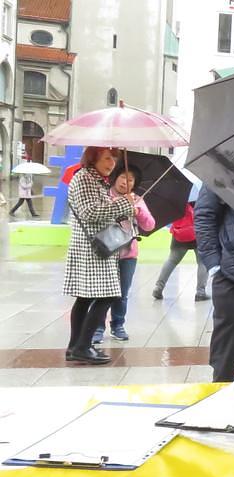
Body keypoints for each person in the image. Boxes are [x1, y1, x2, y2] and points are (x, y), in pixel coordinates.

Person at [62, 147, 135, 365]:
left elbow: (102, 210)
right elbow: (90, 212)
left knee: (85, 298)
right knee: (108, 295)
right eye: (107, 158)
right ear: (93, 158)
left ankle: (75, 347)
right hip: (91, 249)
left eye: (114, 158)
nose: (112, 163)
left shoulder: (98, 180)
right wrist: (123, 203)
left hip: (98, 247)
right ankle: (82, 346)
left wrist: (126, 207)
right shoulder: (84, 178)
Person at [194, 185, 234, 382]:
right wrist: (214, 264)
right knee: (229, 359)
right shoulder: (226, 169)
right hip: (233, 275)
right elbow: (204, 214)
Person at [92, 165, 155, 344]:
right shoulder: (104, 195)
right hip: (106, 252)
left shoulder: (137, 200)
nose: (125, 182)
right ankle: (97, 327)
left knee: (122, 293)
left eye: (130, 180)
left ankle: (118, 325)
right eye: (122, 177)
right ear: (115, 178)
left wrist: (138, 211)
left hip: (128, 254)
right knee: (101, 292)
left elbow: (149, 225)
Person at [153, 202, 210, 301]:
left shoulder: (179, 198)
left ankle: (158, 287)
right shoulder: (202, 197)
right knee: (203, 262)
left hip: (180, 232)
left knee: (172, 260)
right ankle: (200, 292)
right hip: (199, 232)